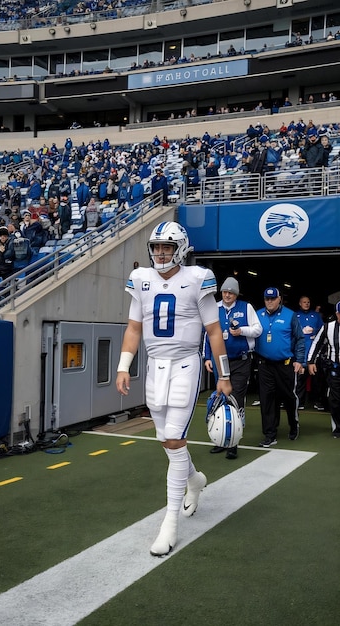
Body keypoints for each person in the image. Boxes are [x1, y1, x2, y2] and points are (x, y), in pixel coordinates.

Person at [116, 221, 232, 557]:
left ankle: (169, 522)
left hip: (185, 365)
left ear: (180, 248)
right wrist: (124, 366)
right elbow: (134, 328)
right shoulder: (141, 280)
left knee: (173, 439)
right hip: (155, 367)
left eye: (167, 247)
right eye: (157, 247)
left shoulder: (197, 278)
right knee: (166, 440)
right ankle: (194, 480)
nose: (161, 253)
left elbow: (213, 332)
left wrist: (224, 375)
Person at [203, 276, 262, 459]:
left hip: (241, 360)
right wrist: (207, 357)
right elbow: (207, 334)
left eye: (231, 292)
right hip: (220, 360)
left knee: (235, 400)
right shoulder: (214, 308)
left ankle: (233, 443)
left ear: (236, 294)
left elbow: (258, 329)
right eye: (225, 292)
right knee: (219, 398)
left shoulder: (246, 307)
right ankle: (220, 440)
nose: (227, 295)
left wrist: (241, 331)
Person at [254, 287, 305, 447]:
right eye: (267, 299)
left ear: (279, 299)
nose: (269, 301)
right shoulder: (257, 315)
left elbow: (300, 339)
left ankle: (293, 424)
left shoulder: (290, 315)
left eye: (272, 298)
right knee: (267, 399)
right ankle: (270, 434)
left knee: (288, 397)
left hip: (285, 365)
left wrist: (299, 360)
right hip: (264, 364)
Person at [308, 302, 340, 437]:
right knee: (335, 399)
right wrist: (310, 362)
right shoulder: (328, 327)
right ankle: (338, 427)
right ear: (337, 314)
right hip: (335, 368)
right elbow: (317, 343)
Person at [295, 296, 323, 409]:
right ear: (300, 303)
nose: (306, 304)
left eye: (308, 302)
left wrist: (314, 332)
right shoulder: (295, 315)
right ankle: (300, 402)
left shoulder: (316, 316)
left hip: (314, 352)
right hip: (300, 352)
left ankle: (318, 402)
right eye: (304, 302)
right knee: (300, 379)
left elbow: (323, 331)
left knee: (317, 379)